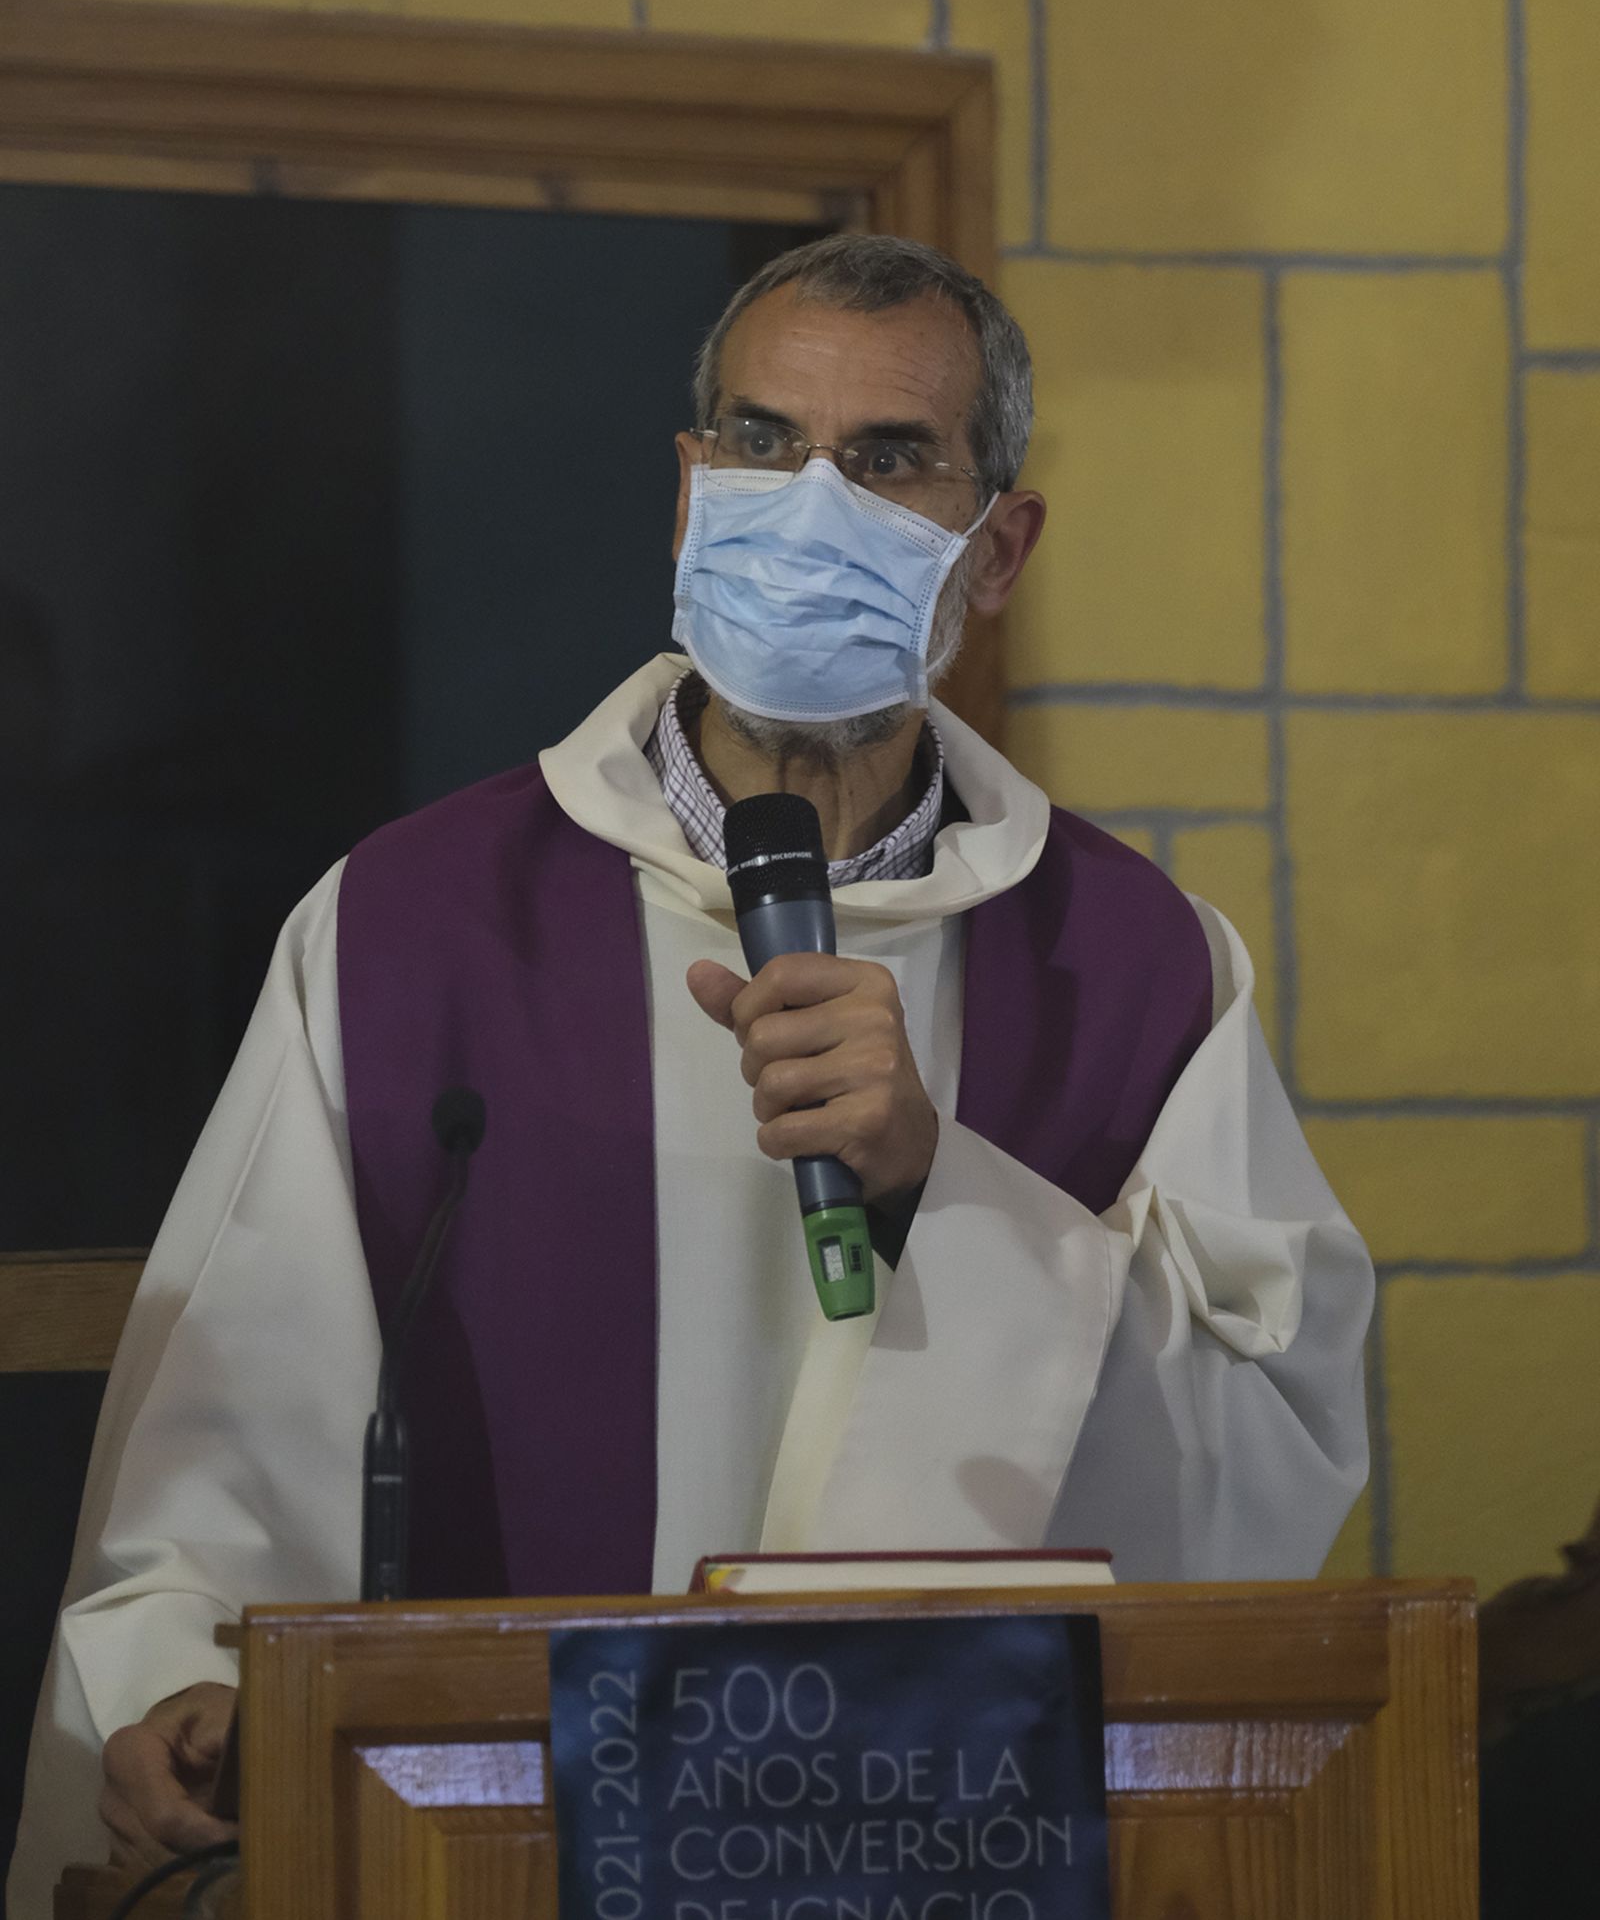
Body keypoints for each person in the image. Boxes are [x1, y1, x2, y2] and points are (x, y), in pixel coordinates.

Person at [7, 232, 1372, 1914]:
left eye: (888, 460)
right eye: (759, 441)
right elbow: (235, 1428)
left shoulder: (1143, 961)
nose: (808, 503)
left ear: (999, 545)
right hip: (495, 1856)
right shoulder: (406, 926)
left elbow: (1276, 1440)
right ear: (686, 488)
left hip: (953, 1854)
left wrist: (948, 1197)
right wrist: (179, 1692)